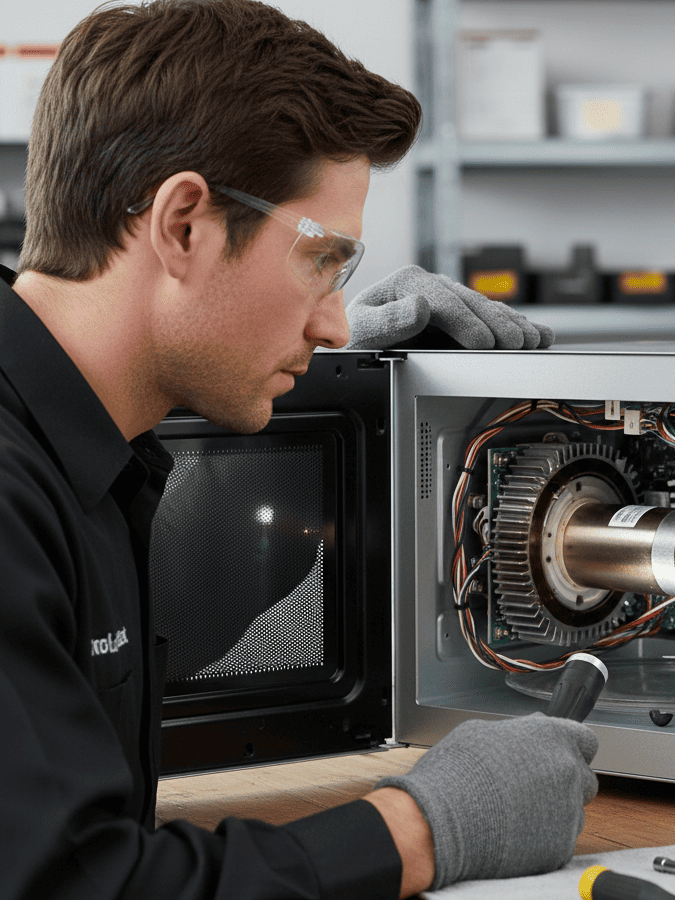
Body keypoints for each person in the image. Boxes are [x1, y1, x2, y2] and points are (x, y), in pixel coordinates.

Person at [0, 1, 596, 898]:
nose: (332, 318)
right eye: (324, 262)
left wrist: (335, 392)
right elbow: (76, 885)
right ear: (184, 225)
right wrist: (420, 829)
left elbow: (149, 646)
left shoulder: (79, 451)